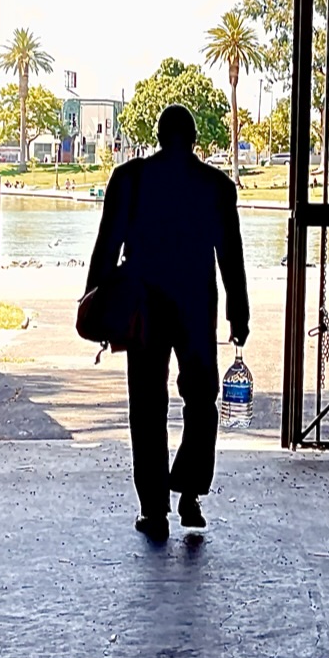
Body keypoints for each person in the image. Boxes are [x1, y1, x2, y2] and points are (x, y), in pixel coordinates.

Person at [86, 103, 249, 538]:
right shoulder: (215, 186)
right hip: (197, 304)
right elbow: (231, 256)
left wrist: (94, 303)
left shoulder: (130, 179)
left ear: (158, 136)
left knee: (147, 405)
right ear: (195, 139)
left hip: (144, 306)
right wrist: (240, 311)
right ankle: (190, 491)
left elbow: (106, 247)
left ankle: (153, 508)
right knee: (201, 400)